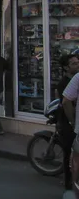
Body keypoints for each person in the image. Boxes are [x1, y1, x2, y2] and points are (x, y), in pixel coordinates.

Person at [60, 55, 79, 190]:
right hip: (69, 125)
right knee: (70, 156)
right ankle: (70, 185)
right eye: (74, 63)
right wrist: (72, 121)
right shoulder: (65, 82)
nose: (77, 65)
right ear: (66, 67)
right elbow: (64, 103)